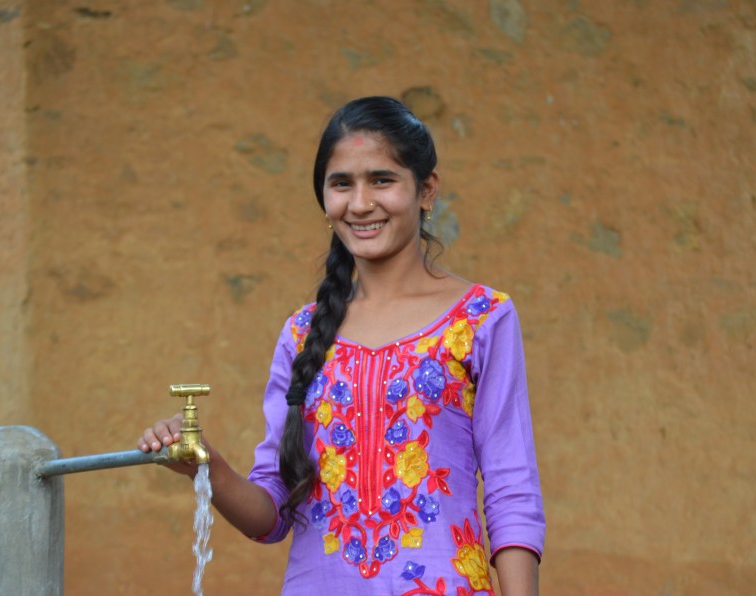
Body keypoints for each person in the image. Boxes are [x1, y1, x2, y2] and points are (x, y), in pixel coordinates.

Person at [138, 96, 545, 595]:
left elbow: (511, 492)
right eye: (341, 184)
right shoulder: (303, 335)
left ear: (427, 189)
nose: (359, 203)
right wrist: (208, 466)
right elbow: (271, 517)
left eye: (381, 179)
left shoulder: (482, 319)